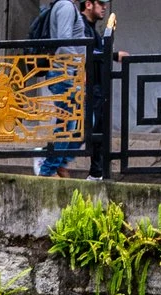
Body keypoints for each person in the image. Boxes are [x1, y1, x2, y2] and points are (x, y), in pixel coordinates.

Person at [32, 0, 106, 177]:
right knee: (69, 123)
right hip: (65, 73)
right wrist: (78, 68)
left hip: (69, 73)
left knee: (85, 122)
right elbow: (65, 41)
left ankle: (57, 161)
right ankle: (47, 170)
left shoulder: (68, 7)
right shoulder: (65, 6)